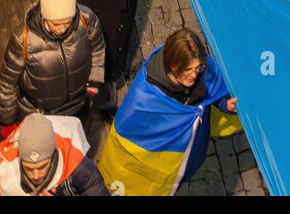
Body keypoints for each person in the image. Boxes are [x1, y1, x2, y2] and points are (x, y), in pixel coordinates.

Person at [98, 29, 238, 195]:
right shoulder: (144, 96)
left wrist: (224, 104)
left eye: (198, 68)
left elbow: (212, 91)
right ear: (173, 65)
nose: (194, 75)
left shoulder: (201, 67)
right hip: (164, 167)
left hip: (191, 155)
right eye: (188, 70)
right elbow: (125, 137)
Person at [0, 0, 105, 136]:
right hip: (42, 115)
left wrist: (95, 79)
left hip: (78, 108)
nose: (62, 29)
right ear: (45, 16)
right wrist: (7, 121)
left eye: (68, 22)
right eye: (56, 24)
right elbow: (7, 83)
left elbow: (98, 48)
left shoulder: (86, 19)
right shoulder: (23, 40)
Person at [0, 113, 109, 197]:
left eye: (42, 166)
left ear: (52, 155)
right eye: (29, 168)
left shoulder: (77, 165)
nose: (36, 175)